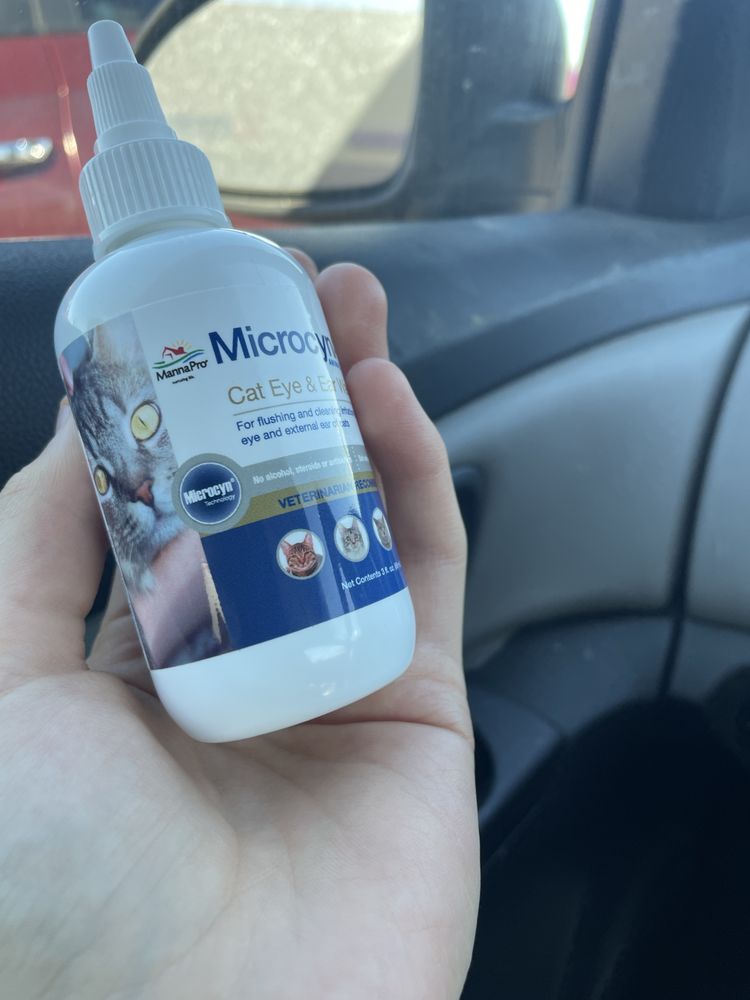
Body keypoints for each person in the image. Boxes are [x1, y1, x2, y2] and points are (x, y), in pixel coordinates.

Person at [0, 256, 480, 999]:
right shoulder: (93, 313)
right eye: (104, 468)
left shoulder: (202, 291)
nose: (135, 483)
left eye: (145, 420)